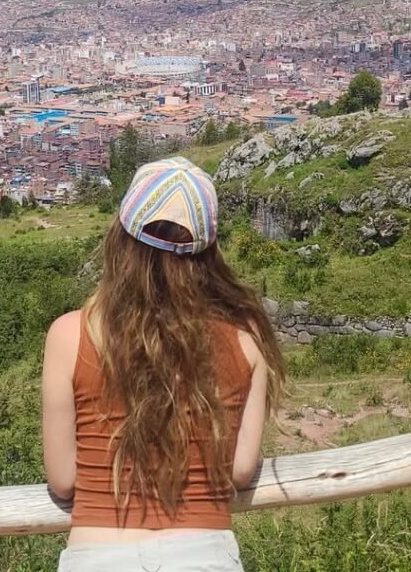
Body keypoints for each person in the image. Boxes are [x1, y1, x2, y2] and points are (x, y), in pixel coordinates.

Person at [42, 156, 284, 572]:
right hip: (204, 554)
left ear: (121, 237)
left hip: (98, 555)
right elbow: (241, 471)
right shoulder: (246, 337)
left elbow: (63, 479)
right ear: (209, 251)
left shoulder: (69, 335)